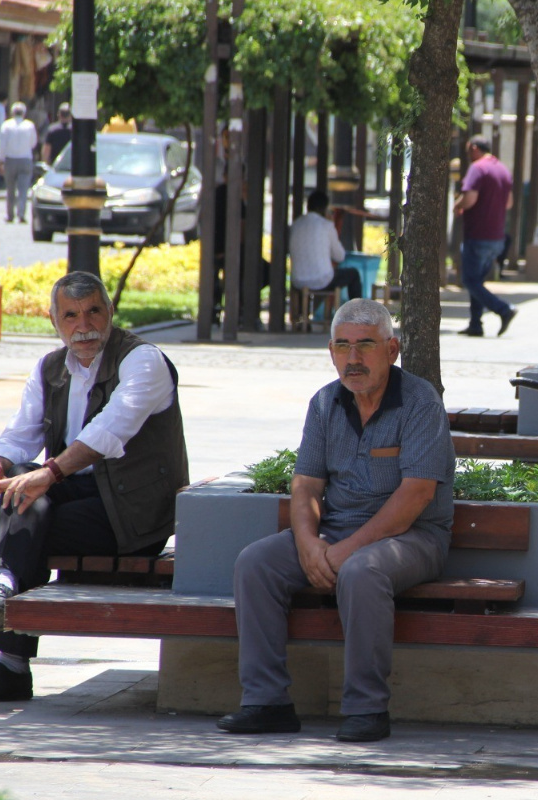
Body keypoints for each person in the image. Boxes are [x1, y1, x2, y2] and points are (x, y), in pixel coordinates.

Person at [218, 299, 455, 742]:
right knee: (256, 563)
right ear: (331, 352)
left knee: (362, 572)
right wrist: (309, 544)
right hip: (335, 533)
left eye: (366, 345)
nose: (353, 358)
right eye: (343, 346)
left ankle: (367, 710)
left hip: (414, 537)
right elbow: (306, 485)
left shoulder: (421, 403)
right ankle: (267, 702)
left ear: (392, 349)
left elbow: (415, 495)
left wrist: (344, 551)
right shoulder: (325, 403)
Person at [0, 273, 189, 703]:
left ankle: (9, 648)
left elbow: (109, 430)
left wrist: (48, 474)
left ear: (110, 312)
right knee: (19, 484)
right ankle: (4, 590)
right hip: (79, 492)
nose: (84, 325)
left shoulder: (143, 361)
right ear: (54, 321)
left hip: (135, 512)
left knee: (30, 509)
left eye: (94, 311)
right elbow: (21, 433)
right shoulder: (50, 367)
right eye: (71, 316)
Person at [453, 135, 516, 337]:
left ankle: (503, 310)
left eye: (467, 150)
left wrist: (457, 205)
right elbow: (509, 203)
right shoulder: (503, 169)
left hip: (478, 233)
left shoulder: (477, 168)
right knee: (477, 280)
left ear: (473, 147)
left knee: (470, 281)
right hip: (497, 237)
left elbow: (470, 198)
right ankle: (475, 324)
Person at [289, 189, 361, 302]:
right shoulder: (326, 225)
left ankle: (300, 315)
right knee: (353, 273)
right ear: (322, 208)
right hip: (321, 280)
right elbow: (340, 256)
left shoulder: (296, 224)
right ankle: (357, 314)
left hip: (298, 281)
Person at [0, 101, 38, 224]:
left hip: (10, 160)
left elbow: (2, 145)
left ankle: (10, 215)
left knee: (10, 189)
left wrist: (0, 161)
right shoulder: (30, 126)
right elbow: (33, 143)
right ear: (24, 113)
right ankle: (21, 214)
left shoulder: (6, 126)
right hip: (25, 159)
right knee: (23, 189)